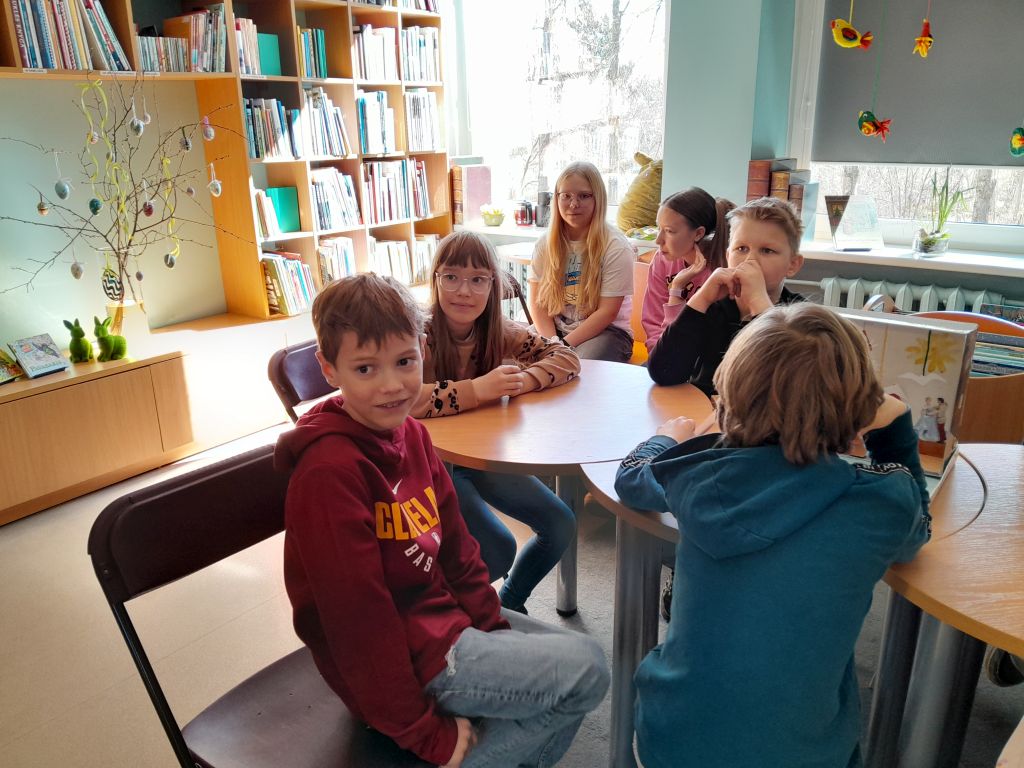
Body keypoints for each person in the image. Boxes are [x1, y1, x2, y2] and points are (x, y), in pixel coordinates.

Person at [275, 273, 609, 767]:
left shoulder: (411, 434)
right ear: (329, 368)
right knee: (587, 672)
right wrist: (423, 732)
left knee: (571, 660)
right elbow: (357, 624)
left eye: (404, 362)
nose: (392, 385)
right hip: (402, 660)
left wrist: (492, 627)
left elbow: (457, 551)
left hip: (441, 627)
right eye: (365, 368)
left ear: (422, 350)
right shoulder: (329, 473)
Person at [615, 303, 932, 768]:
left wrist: (667, 437)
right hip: (803, 754)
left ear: (728, 392)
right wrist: (895, 428)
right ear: (862, 407)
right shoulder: (881, 500)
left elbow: (631, 478)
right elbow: (918, 529)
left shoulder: (694, 476)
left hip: (670, 740)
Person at [413, 231, 581, 614]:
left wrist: (527, 380)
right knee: (497, 548)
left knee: (560, 524)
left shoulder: (497, 330)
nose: (464, 291)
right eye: (451, 277)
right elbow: (406, 400)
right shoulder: (418, 335)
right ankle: (451, 616)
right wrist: (478, 389)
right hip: (432, 466)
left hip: (480, 458)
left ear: (493, 284)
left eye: (478, 279)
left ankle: (509, 603)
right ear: (435, 279)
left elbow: (566, 356)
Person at [647, 196, 807, 394]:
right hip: (703, 408)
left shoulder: (803, 319)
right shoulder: (712, 308)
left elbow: (788, 388)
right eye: (741, 249)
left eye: (767, 251)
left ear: (793, 264)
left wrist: (759, 303)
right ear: (728, 255)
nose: (750, 261)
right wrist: (701, 298)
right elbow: (664, 373)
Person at [529, 161, 636, 361]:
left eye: (584, 196)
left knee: (578, 368)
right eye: (566, 196)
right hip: (555, 331)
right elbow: (538, 304)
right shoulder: (545, 244)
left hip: (606, 332)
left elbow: (607, 312)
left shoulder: (616, 246)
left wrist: (562, 347)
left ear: (598, 199)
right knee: (512, 356)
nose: (573, 204)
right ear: (557, 198)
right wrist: (552, 343)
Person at [641, 188, 735, 352]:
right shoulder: (662, 259)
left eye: (669, 231)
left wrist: (676, 290)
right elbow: (653, 321)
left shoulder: (723, 269)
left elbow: (710, 338)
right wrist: (659, 356)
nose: (658, 240)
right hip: (666, 353)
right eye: (658, 228)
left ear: (698, 233)